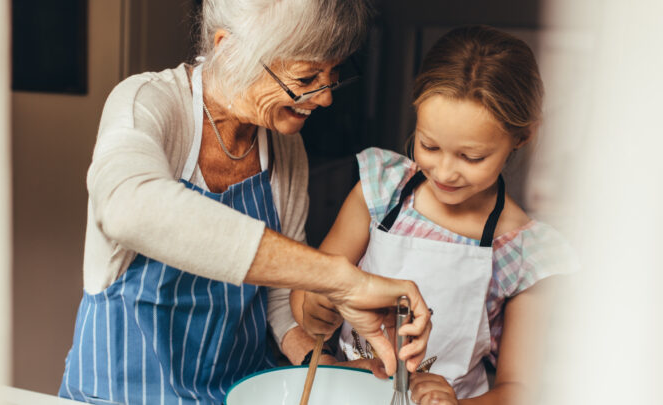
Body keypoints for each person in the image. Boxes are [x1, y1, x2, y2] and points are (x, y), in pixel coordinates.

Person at [58, 1, 432, 404]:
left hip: (233, 394)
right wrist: (341, 278)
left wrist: (327, 368)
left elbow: (278, 302)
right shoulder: (148, 103)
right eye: (306, 76)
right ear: (228, 49)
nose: (324, 99)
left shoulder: (286, 149)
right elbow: (128, 206)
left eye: (334, 74)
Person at [292, 25, 577, 404]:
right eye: (429, 145)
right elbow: (304, 298)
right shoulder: (381, 189)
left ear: (521, 137)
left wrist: (454, 404)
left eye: (471, 157)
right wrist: (319, 305)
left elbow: (518, 392)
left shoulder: (524, 250)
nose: (444, 172)